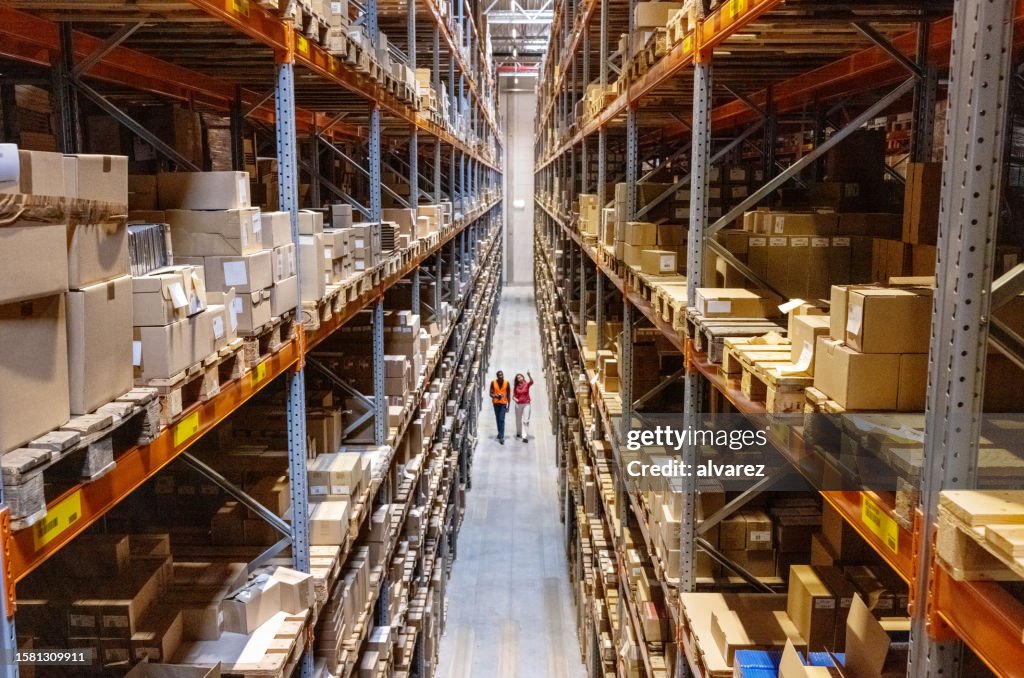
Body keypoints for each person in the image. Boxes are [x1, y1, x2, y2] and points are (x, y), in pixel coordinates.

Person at [490, 370, 511, 444]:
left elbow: (508, 395)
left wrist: (508, 406)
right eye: (499, 375)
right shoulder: (493, 383)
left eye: (502, 375)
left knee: (501, 419)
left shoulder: (506, 383)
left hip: (503, 404)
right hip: (496, 404)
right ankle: (499, 433)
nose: (501, 376)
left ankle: (501, 437)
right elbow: (491, 393)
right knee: (498, 419)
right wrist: (496, 396)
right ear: (497, 376)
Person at [513, 372, 535, 442]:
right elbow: (513, 396)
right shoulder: (516, 387)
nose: (519, 378)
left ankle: (524, 436)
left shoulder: (526, 384)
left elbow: (532, 382)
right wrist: (516, 399)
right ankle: (518, 432)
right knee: (518, 419)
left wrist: (529, 375)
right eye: (518, 378)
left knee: (526, 420)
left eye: (520, 377)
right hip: (518, 404)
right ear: (517, 380)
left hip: (526, 404)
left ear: (523, 377)